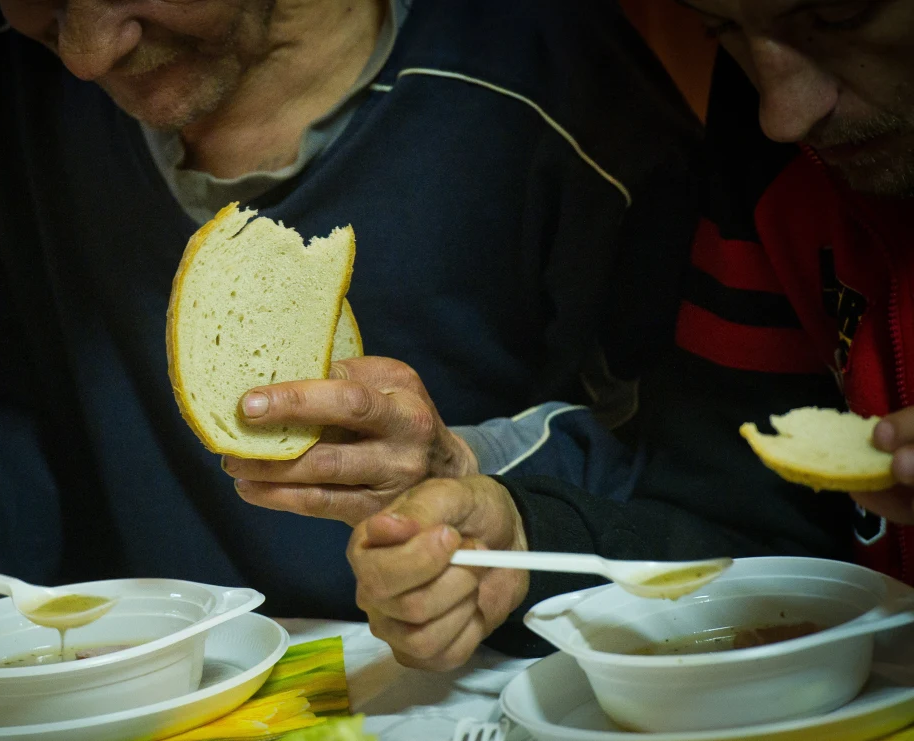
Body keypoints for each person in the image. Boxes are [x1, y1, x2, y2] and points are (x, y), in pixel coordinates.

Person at [0, 0, 702, 630]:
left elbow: (694, 504)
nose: (88, 53)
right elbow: (11, 388)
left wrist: (474, 473)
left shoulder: (560, 98)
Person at [322, 0, 914, 669]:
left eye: (840, 18)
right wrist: (523, 543)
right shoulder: (769, 152)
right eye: (724, 33)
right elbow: (750, 533)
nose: (783, 115)